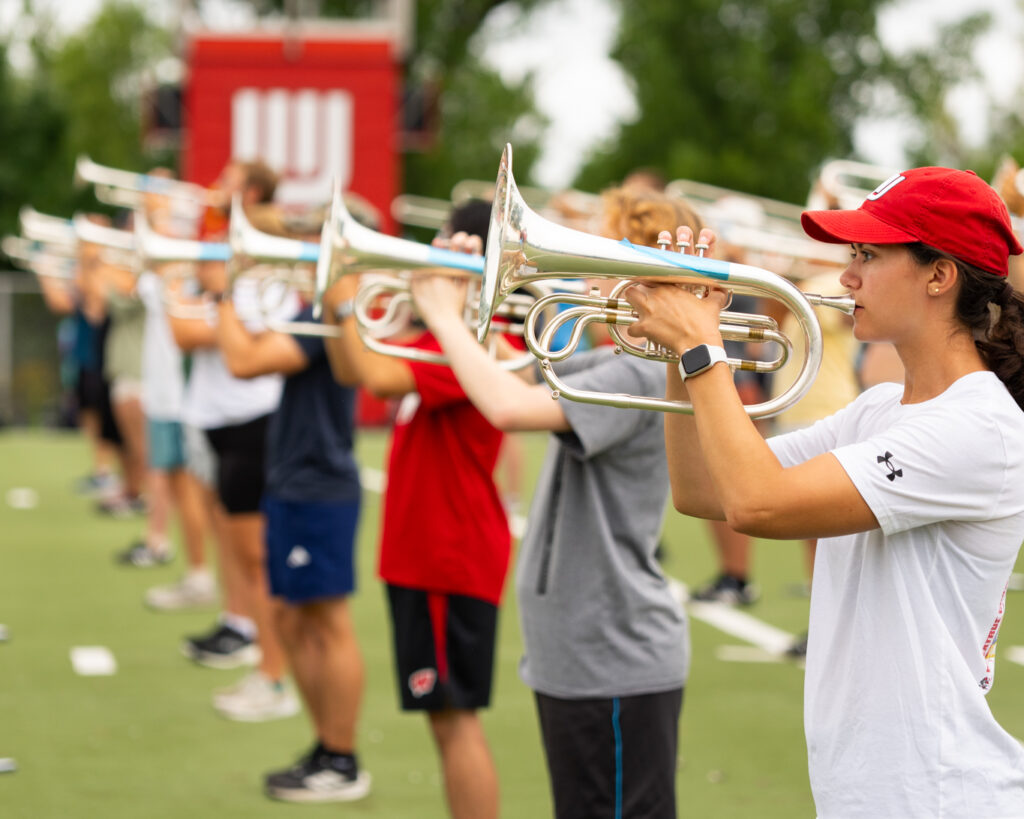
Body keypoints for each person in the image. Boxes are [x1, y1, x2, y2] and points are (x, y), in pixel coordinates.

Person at [626, 167, 1024, 816]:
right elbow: (703, 490)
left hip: (942, 796)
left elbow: (759, 502)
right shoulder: (878, 410)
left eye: (868, 255)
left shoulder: (979, 425)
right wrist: (680, 354)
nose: (846, 275)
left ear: (938, 275)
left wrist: (703, 345)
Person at [410, 185, 691, 819]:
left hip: (612, 652)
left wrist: (446, 318)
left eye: (602, 255)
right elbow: (512, 373)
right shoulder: (607, 362)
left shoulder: (640, 373)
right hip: (580, 651)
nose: (585, 271)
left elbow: (506, 407)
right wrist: (467, 289)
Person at [322, 201, 511, 819]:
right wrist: (338, 299)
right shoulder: (444, 337)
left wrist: (353, 296)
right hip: (423, 551)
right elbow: (354, 366)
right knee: (444, 720)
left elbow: (376, 377)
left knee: (454, 720)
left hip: (446, 553)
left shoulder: (486, 343)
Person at [208, 226, 369, 801]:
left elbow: (244, 361)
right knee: (289, 617)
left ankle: (342, 758)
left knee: (327, 622)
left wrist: (221, 294)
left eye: (312, 245)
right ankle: (325, 746)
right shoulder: (314, 311)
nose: (299, 256)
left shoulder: (329, 316)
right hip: (294, 478)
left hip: (317, 484)